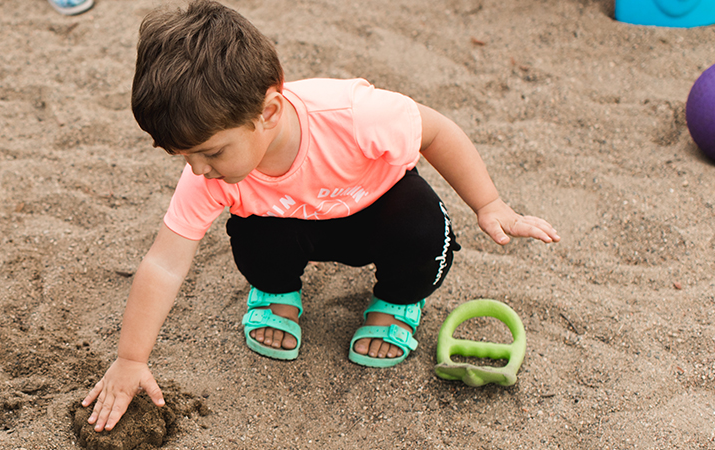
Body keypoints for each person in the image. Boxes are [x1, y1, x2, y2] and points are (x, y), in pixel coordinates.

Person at [81, 0, 560, 432]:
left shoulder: (354, 115)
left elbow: (436, 132)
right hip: (287, 224)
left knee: (423, 229)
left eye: (210, 152)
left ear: (268, 112)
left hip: (375, 208)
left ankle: (396, 303)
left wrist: (489, 203)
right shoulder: (208, 175)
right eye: (184, 156)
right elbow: (165, 262)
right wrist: (130, 358)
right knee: (254, 235)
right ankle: (276, 293)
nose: (198, 169)